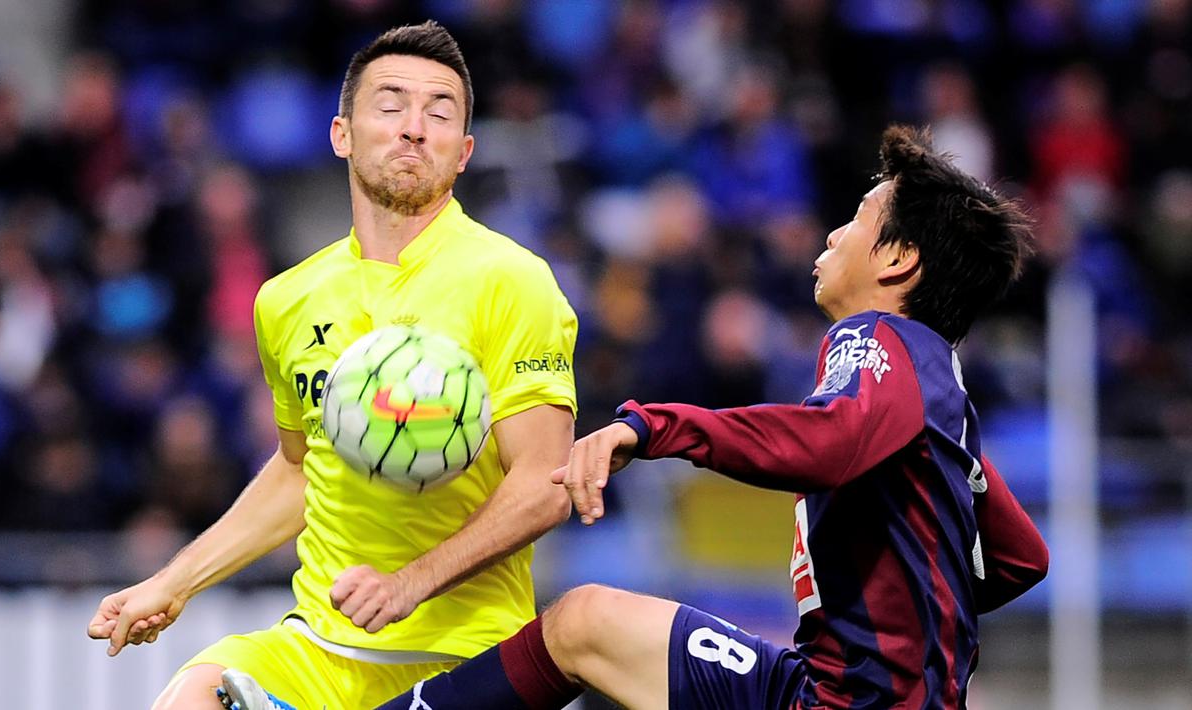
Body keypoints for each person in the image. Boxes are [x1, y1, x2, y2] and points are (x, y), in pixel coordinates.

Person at [377, 125, 1049, 710]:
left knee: (584, 625)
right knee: (584, 623)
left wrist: (655, 427)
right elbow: (1020, 558)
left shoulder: (877, 338)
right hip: (821, 685)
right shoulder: (941, 403)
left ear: (898, 260)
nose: (835, 232)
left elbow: (829, 442)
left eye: (858, 219)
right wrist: (905, 619)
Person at [87, 21, 579, 710]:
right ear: (341, 133)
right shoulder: (286, 300)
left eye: (439, 113)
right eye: (390, 104)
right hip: (321, 644)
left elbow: (545, 485)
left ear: (463, 152)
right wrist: (174, 582)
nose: (414, 127)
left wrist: (408, 582)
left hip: (463, 654)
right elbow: (299, 470)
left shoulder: (511, 280)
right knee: (191, 697)